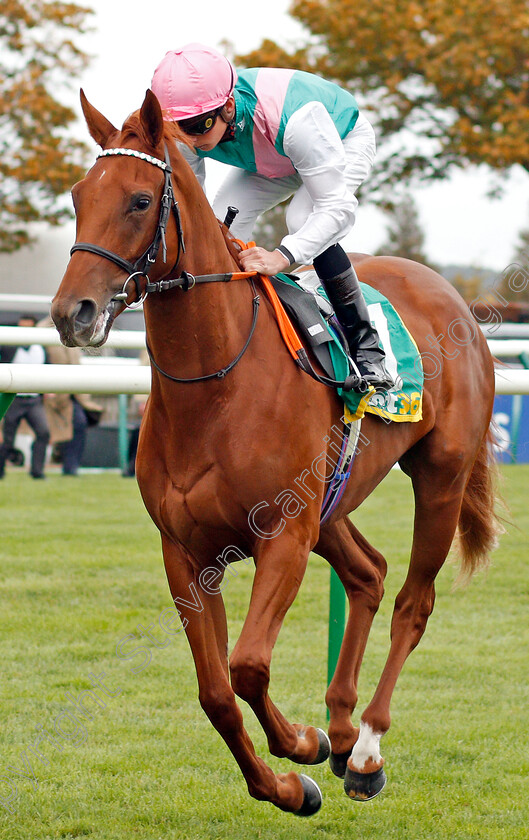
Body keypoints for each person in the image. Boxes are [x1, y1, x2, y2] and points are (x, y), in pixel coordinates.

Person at [151, 43, 394, 392]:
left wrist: (281, 257)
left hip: (336, 140)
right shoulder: (193, 129)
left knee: (302, 219)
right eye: (178, 130)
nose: (190, 140)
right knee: (221, 225)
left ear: (229, 106)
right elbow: (195, 209)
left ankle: (367, 349)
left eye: (198, 126)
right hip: (269, 154)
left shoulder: (299, 121)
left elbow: (338, 209)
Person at [37, 315, 103, 476]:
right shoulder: (42, 329)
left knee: (78, 424)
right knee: (47, 430)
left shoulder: (73, 324)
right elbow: (40, 359)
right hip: (52, 390)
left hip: (72, 390)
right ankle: (48, 466)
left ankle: (70, 466)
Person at [0, 314, 50, 479]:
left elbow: (47, 367)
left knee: (43, 433)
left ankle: (37, 471)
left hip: (34, 400)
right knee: (7, 440)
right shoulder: (8, 346)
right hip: (12, 400)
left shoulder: (41, 347)